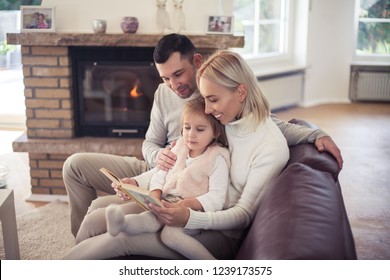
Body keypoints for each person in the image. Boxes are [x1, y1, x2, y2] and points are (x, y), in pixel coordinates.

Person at [63, 33, 343, 241]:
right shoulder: (164, 94)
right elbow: (149, 142)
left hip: (192, 178)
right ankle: (80, 239)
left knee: (105, 213)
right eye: (165, 79)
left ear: (196, 62)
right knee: (74, 166)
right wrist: (157, 157)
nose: (174, 85)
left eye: (178, 74)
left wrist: (315, 134)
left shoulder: (222, 97)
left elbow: (268, 125)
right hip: (160, 168)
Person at [104, 97, 230, 260]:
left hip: (192, 211)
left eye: (200, 129)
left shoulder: (217, 158)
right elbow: (160, 174)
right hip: (166, 201)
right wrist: (155, 194)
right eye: (186, 128)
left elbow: (217, 197)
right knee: (148, 218)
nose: (191, 135)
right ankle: (121, 224)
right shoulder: (179, 148)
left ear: (216, 132)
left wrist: (186, 204)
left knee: (169, 235)